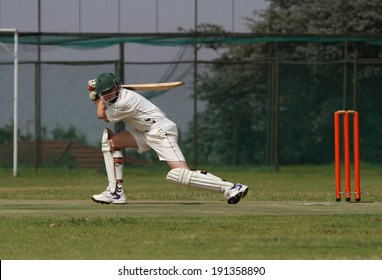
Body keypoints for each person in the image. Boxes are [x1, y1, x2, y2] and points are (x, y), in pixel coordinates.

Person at [88, 72, 249, 205]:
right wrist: (99, 95)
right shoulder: (120, 97)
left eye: (110, 91)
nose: (108, 95)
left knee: (179, 174)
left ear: (117, 87)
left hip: (160, 132)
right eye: (105, 93)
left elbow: (101, 115)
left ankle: (232, 188)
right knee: (111, 144)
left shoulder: (124, 102)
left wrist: (95, 97)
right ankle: (116, 192)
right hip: (146, 132)